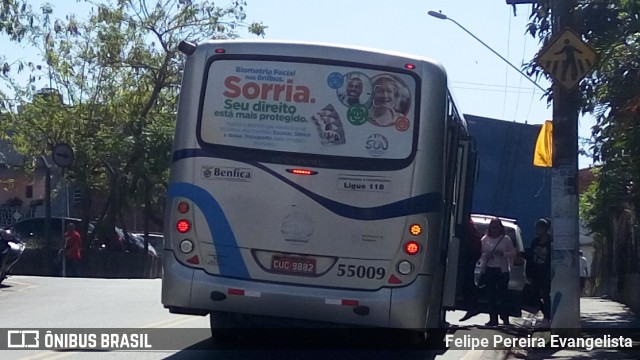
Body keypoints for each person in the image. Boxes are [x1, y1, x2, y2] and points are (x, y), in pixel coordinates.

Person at [479, 218, 516, 327]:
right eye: (492, 228)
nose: (494, 230)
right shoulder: (485, 239)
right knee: (491, 296)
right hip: (489, 269)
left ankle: (505, 317)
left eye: (496, 228)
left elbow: (513, 253)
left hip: (502, 271)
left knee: (502, 295)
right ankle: (493, 319)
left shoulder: (506, 239)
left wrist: (503, 254)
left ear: (500, 228)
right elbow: (480, 253)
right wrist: (486, 255)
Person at [525, 218, 552, 328]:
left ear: (545, 229)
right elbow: (530, 258)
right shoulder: (535, 242)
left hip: (546, 273)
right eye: (536, 228)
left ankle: (547, 318)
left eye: (539, 228)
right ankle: (545, 314)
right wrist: (528, 273)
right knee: (535, 295)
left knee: (546, 295)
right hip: (535, 272)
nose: (537, 230)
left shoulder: (551, 242)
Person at [459, 218, 483, 322]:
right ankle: (472, 305)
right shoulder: (471, 227)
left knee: (467, 281)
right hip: (471, 255)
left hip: (469, 255)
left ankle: (472, 305)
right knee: (467, 281)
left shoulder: (466, 225)